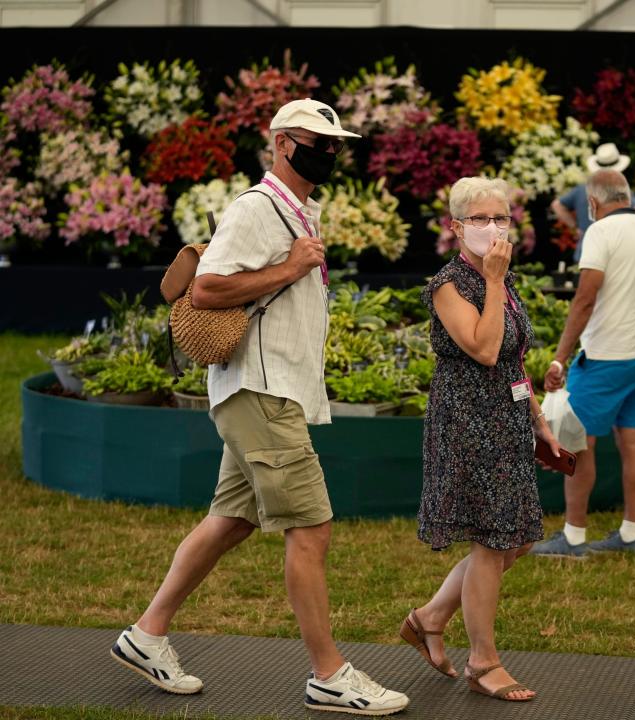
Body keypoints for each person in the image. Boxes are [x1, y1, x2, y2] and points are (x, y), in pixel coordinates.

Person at [109, 99, 409, 716]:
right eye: (313, 141)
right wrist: (288, 267)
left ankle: (146, 635)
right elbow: (208, 287)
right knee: (311, 528)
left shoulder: (299, 209)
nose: (327, 152)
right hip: (261, 391)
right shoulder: (256, 208)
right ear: (280, 144)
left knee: (232, 520)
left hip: (268, 390)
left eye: (333, 142)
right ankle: (329, 676)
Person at [402, 176, 561, 702]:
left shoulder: (503, 279)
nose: (493, 228)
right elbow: (485, 348)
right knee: (492, 541)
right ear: (456, 226)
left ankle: (429, 618)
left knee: (517, 537)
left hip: (508, 420)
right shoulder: (450, 284)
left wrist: (536, 415)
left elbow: (513, 359)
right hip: (468, 425)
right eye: (480, 219)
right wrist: (493, 282)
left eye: (501, 218)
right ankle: (483, 661)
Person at [531, 169, 635, 559]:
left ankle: (573, 538)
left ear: (593, 202)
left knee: (577, 444)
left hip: (603, 356)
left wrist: (559, 357)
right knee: (632, 442)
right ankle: (631, 533)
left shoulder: (600, 232)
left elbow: (585, 299)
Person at [550, 142, 635, 262]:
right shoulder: (620, 189)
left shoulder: (582, 189)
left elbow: (556, 205)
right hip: (614, 253)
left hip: (585, 251)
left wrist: (575, 227)